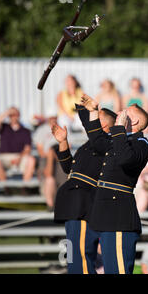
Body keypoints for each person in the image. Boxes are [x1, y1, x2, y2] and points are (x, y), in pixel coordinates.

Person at [81, 94, 148, 274]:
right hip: (106, 213)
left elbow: (124, 158)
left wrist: (119, 129)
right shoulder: (119, 140)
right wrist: (93, 112)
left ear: (133, 121)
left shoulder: (141, 143)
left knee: (118, 270)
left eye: (123, 113)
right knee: (110, 268)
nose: (118, 114)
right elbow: (97, 142)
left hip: (119, 215)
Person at [51, 104, 117, 274]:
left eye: (97, 117)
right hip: (73, 202)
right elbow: (69, 168)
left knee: (81, 255)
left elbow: (89, 125)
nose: (91, 121)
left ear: (105, 125)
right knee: (74, 255)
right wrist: (63, 142)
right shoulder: (91, 143)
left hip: (84, 203)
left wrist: (85, 110)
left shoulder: (109, 144)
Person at [0, 107, 36, 192]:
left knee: (31, 160)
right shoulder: (4, 127)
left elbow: (27, 149)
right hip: (4, 157)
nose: (13, 117)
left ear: (19, 116)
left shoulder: (25, 131)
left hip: (20, 156)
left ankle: (24, 188)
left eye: (15, 114)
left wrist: (19, 158)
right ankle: (6, 188)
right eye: (11, 115)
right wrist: (8, 112)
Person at [34, 112, 62, 210]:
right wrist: (51, 155)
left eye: (54, 117)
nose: (53, 119)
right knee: (49, 179)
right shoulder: (42, 130)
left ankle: (55, 204)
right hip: (48, 158)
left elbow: (68, 146)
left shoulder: (62, 128)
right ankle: (51, 205)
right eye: (51, 117)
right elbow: (40, 150)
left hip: (60, 157)